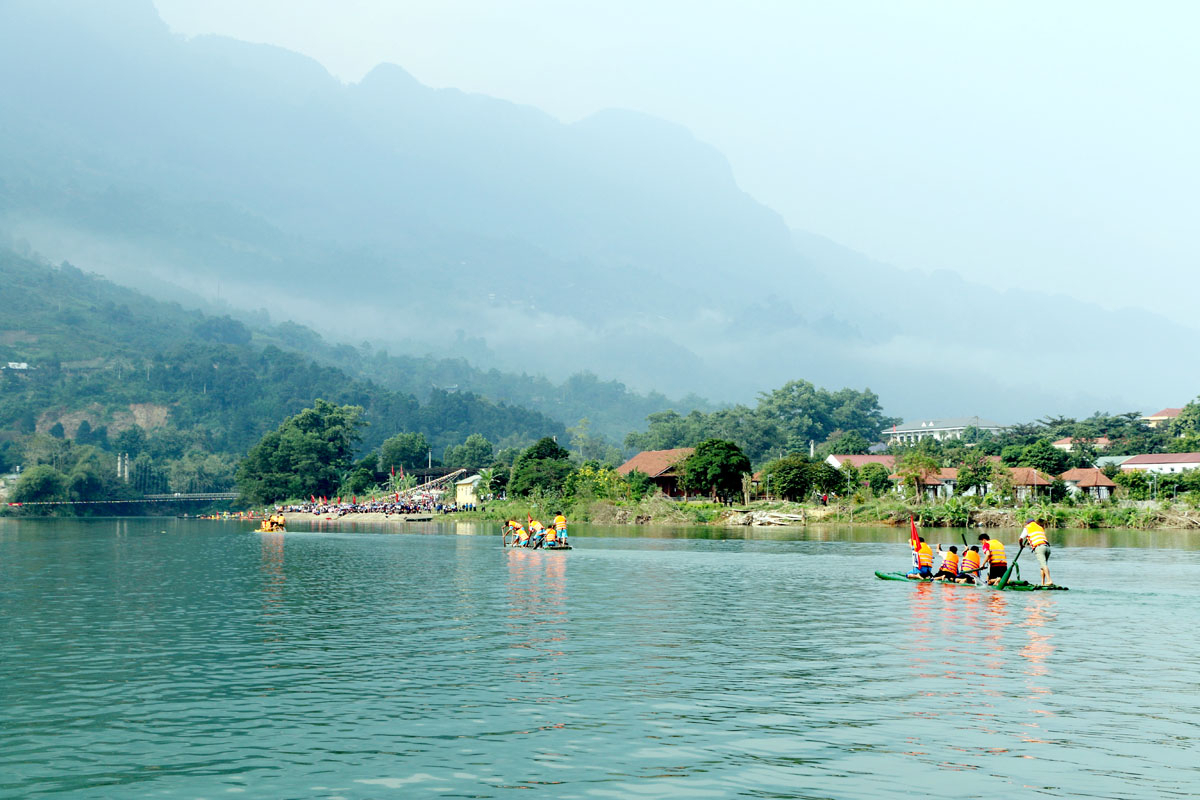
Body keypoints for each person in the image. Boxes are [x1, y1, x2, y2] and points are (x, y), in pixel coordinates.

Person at [1019, 517, 1053, 585]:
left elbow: (1020, 539)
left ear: (1028, 523)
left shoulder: (1028, 527)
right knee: (1043, 566)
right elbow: (1037, 537)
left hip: (1039, 548)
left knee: (1043, 565)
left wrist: (1021, 545)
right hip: (1047, 547)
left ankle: (1049, 580)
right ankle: (1043, 583)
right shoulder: (1039, 527)